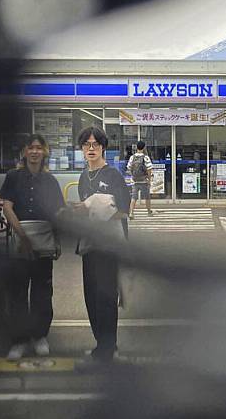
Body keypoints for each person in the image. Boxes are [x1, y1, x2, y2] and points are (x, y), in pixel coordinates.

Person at [0, 134, 66, 360]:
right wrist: (22, 236)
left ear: (45, 152)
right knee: (17, 293)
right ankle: (18, 341)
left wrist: (57, 240)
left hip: (44, 242)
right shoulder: (13, 177)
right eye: (31, 148)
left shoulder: (50, 181)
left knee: (42, 293)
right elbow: (7, 207)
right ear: (24, 152)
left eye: (39, 148)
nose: (35, 151)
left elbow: (56, 213)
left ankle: (39, 336)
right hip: (19, 241)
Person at [75, 126, 131, 362]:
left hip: (109, 246)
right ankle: (101, 344)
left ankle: (110, 347)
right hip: (90, 245)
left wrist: (97, 208)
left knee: (106, 297)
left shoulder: (113, 175)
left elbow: (124, 210)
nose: (91, 148)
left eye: (95, 144)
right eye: (86, 144)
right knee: (92, 298)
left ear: (103, 147)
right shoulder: (82, 177)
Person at [127, 140, 154, 220]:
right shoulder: (145, 157)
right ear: (144, 147)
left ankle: (131, 212)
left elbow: (129, 168)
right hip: (144, 181)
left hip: (135, 180)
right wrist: (149, 179)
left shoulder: (132, 157)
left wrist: (133, 176)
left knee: (134, 197)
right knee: (147, 197)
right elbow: (149, 169)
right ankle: (149, 211)